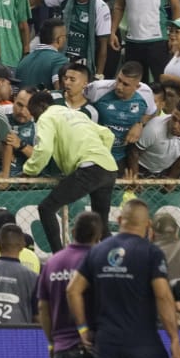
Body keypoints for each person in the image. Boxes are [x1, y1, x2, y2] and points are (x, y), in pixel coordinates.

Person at [66, 198, 180, 358]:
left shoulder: (98, 251)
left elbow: (72, 290)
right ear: (148, 225)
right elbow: (162, 295)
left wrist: (83, 329)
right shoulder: (151, 253)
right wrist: (174, 338)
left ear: (120, 220)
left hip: (108, 343)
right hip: (143, 341)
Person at [23, 90, 117, 253]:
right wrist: (100, 156)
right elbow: (108, 135)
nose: (35, 119)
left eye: (34, 114)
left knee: (46, 208)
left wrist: (29, 171)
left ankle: (59, 257)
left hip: (89, 168)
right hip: (108, 168)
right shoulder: (77, 114)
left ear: (42, 106)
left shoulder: (47, 117)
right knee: (101, 225)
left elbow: (44, 150)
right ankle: (116, 261)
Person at [37, 211, 102, 358]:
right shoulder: (98, 260)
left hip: (62, 349)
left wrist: (52, 342)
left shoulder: (53, 262)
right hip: (88, 346)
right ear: (99, 236)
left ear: (73, 232)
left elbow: (43, 307)